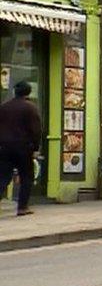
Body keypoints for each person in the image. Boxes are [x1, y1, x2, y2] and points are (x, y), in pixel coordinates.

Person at [0, 81, 43, 216]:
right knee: (26, 177)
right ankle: (22, 207)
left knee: (3, 176)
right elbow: (36, 130)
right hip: (24, 148)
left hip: (5, 147)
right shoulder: (31, 108)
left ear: (14, 91)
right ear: (28, 92)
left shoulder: (4, 107)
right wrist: (36, 147)